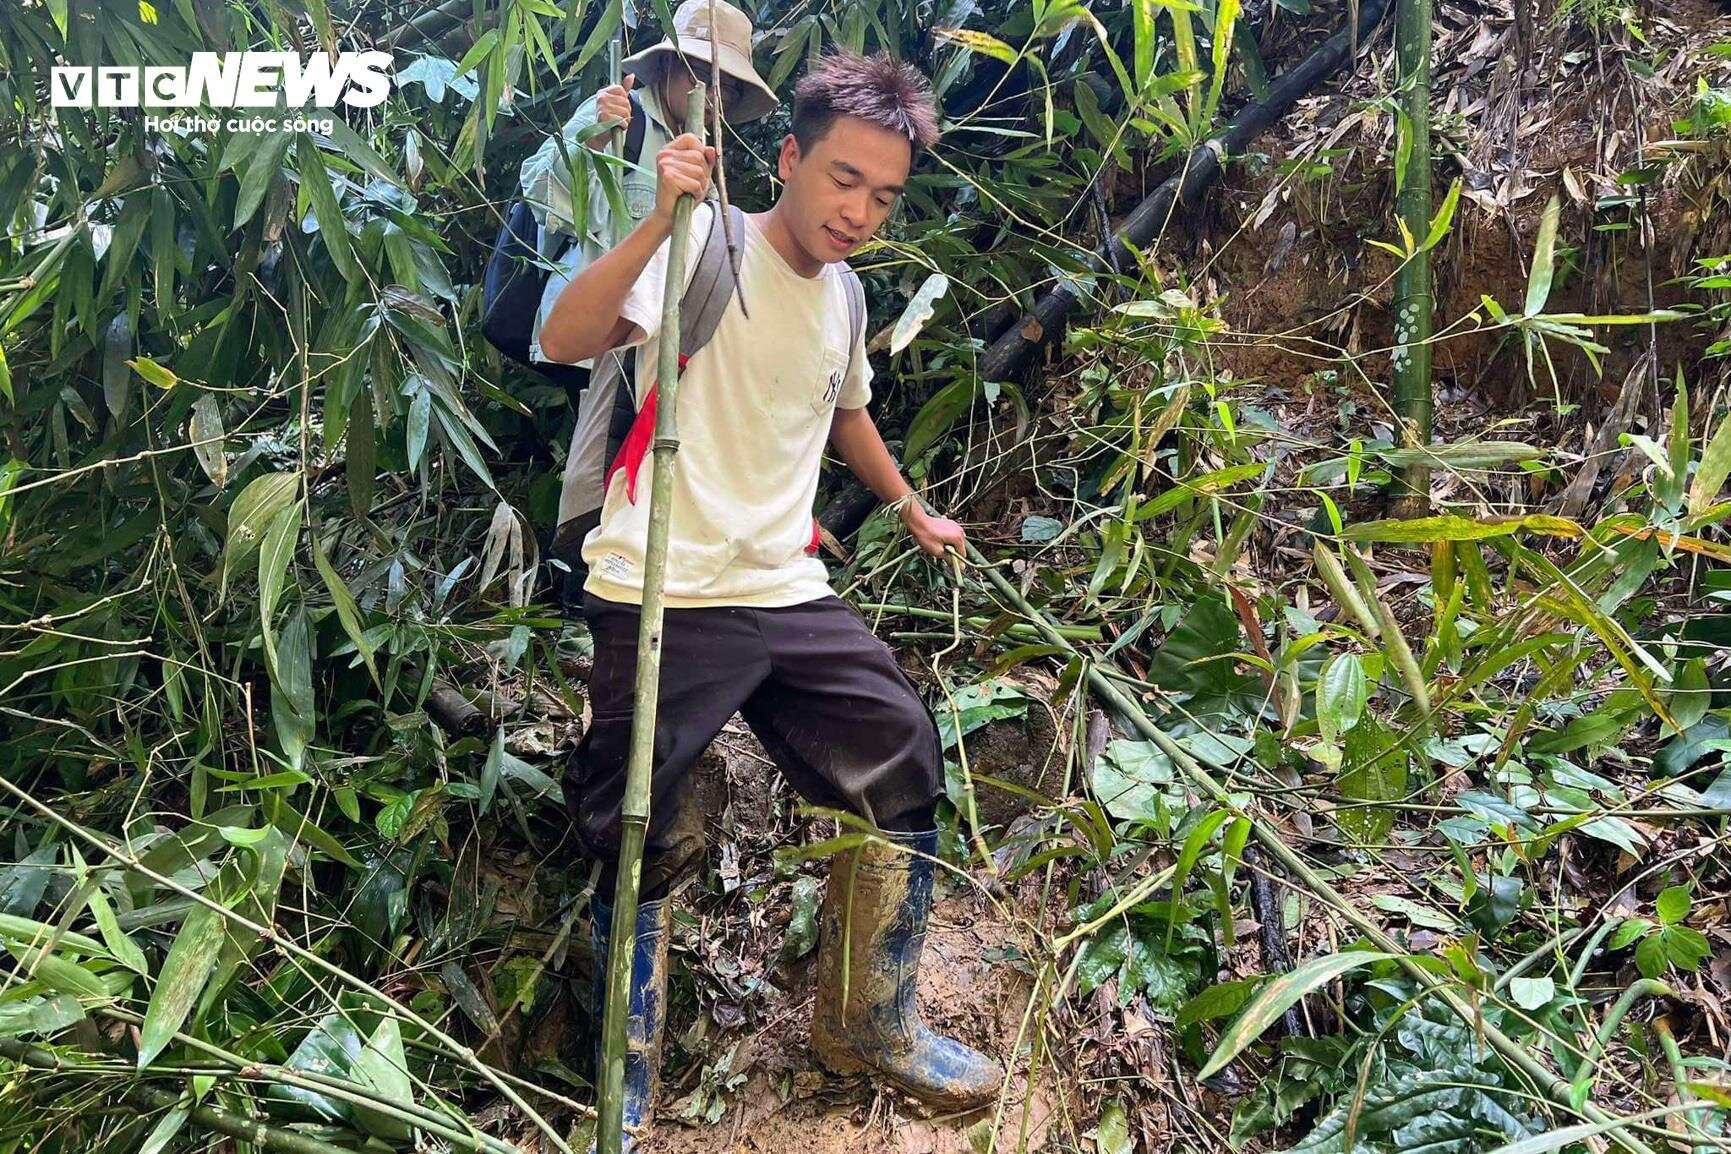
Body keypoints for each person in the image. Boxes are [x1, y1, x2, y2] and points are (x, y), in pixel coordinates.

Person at [540, 49, 1004, 1150]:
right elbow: (562, 336)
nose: (859, 211)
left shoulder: (845, 294)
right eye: (842, 179)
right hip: (662, 581)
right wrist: (659, 218)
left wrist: (908, 506)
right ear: (789, 158)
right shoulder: (708, 244)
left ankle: (869, 1023)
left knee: (899, 747)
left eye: (884, 196)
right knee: (636, 817)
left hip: (782, 584)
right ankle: (626, 1064)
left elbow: (843, 413)